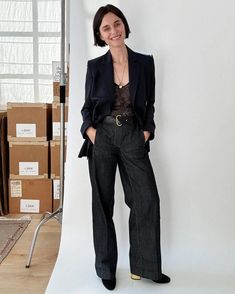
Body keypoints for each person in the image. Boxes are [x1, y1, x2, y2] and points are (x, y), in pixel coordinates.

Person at [79, 4, 170, 291]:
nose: (114, 31)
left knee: (146, 200)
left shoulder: (145, 63)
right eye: (106, 28)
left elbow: (150, 104)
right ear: (100, 35)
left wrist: (146, 131)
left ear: (124, 26)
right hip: (102, 136)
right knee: (102, 203)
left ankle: (145, 266)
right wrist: (90, 131)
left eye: (116, 24)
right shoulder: (95, 67)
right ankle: (106, 268)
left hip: (132, 135)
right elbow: (86, 108)